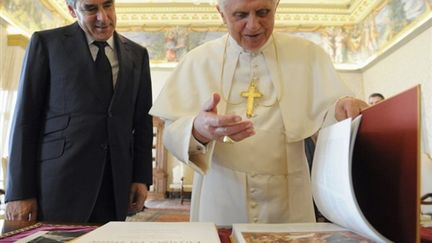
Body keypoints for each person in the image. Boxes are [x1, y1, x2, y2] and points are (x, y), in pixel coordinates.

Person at [150, 0, 368, 225]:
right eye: (240, 15)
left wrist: (341, 111)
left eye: (263, 12)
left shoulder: (307, 55)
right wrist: (197, 130)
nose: (253, 25)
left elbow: (325, 119)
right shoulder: (199, 60)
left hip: (290, 196)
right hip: (222, 194)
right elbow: (172, 131)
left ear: (276, 6)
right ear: (222, 14)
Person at [5, 0, 153, 223]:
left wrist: (141, 178)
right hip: (59, 183)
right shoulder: (46, 43)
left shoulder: (138, 55)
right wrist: (19, 192)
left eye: (108, 5)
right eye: (91, 9)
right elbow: (25, 120)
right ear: (72, 10)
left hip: (114, 184)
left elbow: (142, 122)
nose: (103, 17)